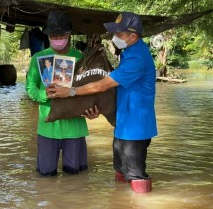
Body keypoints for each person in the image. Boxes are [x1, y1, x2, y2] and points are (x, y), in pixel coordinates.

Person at [46, 12, 158, 193]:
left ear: (133, 36)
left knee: (136, 176)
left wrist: (71, 91)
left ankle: (142, 202)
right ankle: (121, 202)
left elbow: (103, 85)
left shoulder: (137, 58)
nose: (114, 38)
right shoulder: (129, 53)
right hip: (124, 124)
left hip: (136, 127)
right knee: (121, 171)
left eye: (119, 34)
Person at [26, 11, 92, 176]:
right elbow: (30, 88)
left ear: (68, 34)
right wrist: (44, 94)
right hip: (48, 126)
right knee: (45, 175)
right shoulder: (38, 58)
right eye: (53, 36)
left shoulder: (80, 58)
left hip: (75, 125)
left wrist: (93, 109)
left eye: (60, 35)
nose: (57, 39)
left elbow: (90, 89)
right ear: (47, 36)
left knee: (75, 176)